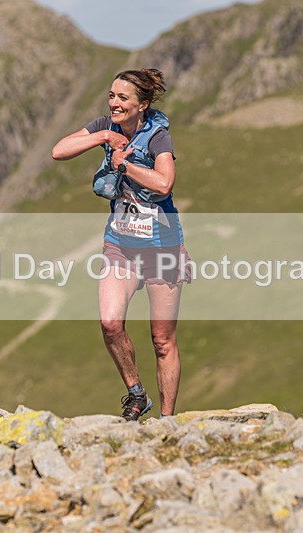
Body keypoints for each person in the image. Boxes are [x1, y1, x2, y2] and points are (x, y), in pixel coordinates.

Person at [52, 68, 190, 421]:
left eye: (122, 98)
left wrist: (125, 164)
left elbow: (164, 184)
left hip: (162, 247)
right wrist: (102, 137)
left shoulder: (158, 137)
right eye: (111, 95)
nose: (114, 103)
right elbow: (59, 151)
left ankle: (168, 422)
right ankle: (136, 394)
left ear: (142, 105)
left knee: (162, 341)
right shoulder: (105, 124)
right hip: (120, 245)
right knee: (110, 323)